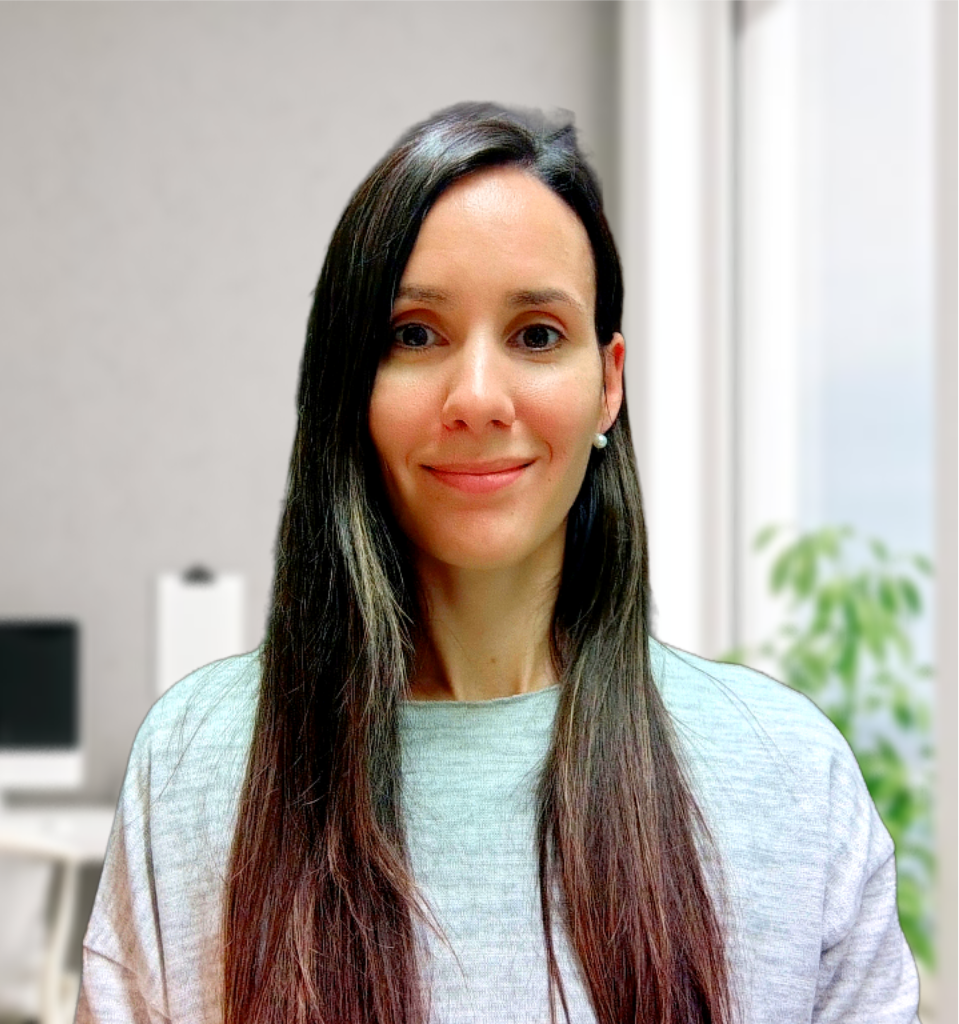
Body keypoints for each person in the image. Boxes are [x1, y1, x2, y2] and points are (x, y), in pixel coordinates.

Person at [76, 103, 920, 1024]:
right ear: (348, 385)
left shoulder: (791, 776)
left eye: (537, 336)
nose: (477, 398)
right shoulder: (198, 763)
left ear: (609, 384)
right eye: (414, 334)